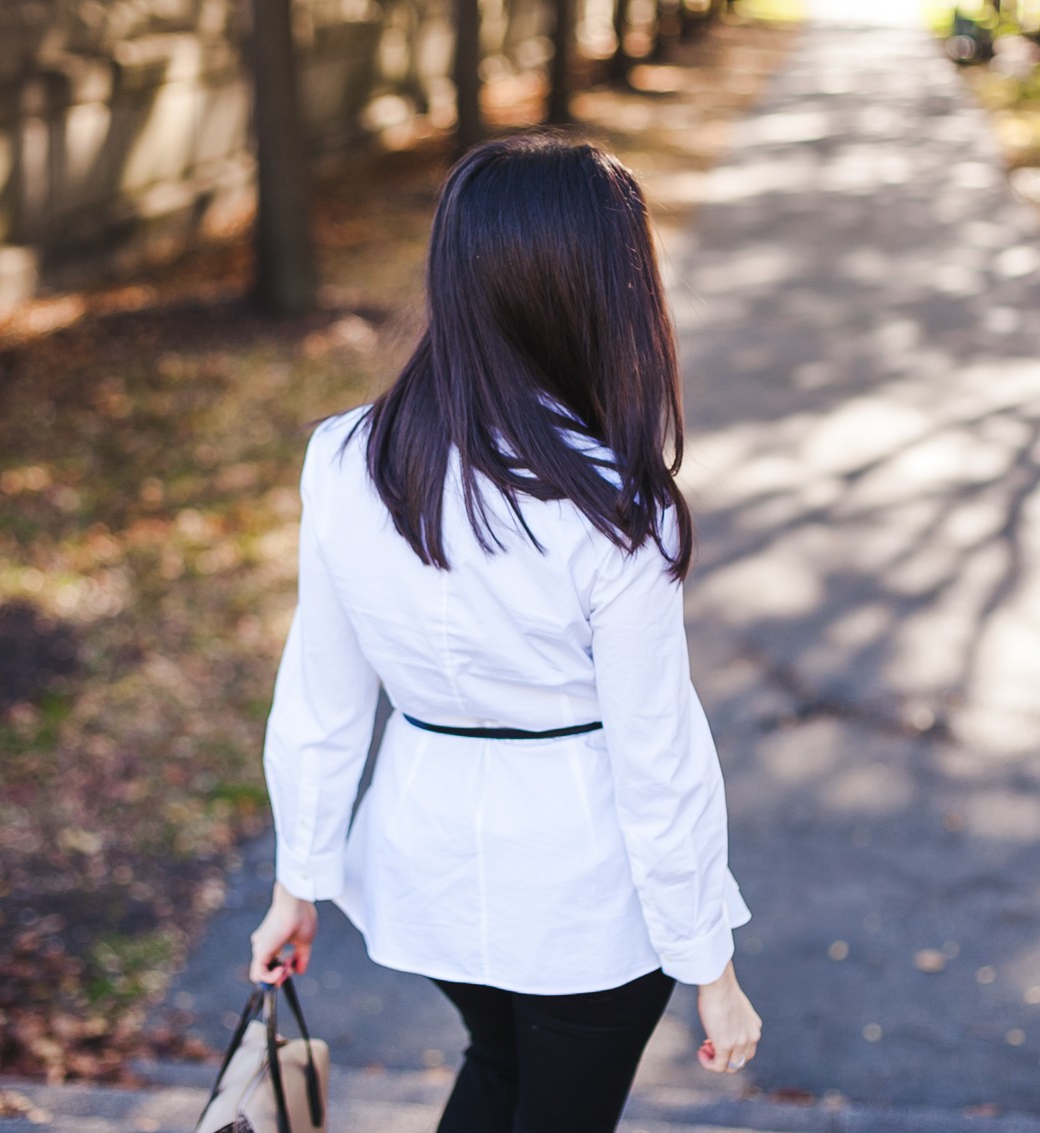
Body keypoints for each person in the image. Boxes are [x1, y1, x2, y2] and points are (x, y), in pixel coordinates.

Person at [247, 134, 760, 1133]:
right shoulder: (615, 503)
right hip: (583, 893)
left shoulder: (344, 457)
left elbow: (320, 689)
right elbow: (656, 759)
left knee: (498, 1064)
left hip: (422, 863)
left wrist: (297, 881)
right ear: (603, 289)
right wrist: (712, 964)